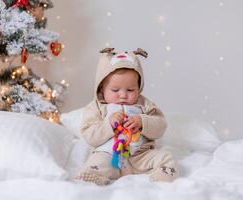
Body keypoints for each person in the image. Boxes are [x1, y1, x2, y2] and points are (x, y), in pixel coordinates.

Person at [76, 47, 179, 186]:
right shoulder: (97, 107)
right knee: (94, 164)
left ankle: (162, 178)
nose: (123, 95)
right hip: (109, 155)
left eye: (130, 90)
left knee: (166, 157)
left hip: (140, 156)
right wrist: (109, 125)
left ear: (139, 87)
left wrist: (143, 122)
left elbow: (161, 125)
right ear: (101, 88)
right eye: (115, 90)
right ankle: (93, 179)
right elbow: (89, 135)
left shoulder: (145, 104)